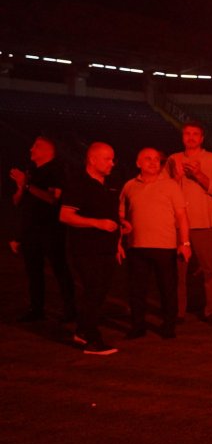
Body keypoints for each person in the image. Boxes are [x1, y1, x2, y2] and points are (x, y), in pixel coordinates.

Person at [120, 148, 191, 339]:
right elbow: (121, 215)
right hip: (137, 246)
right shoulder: (129, 186)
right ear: (138, 163)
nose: (153, 162)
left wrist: (185, 243)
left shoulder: (170, 186)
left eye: (157, 160)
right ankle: (138, 325)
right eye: (148, 159)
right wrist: (120, 239)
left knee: (167, 289)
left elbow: (182, 216)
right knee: (137, 290)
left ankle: (169, 325)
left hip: (165, 247)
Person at [59, 142, 121, 355]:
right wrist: (98, 223)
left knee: (99, 292)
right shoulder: (79, 184)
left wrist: (121, 227)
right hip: (86, 249)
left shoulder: (108, 185)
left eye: (112, 159)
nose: (112, 163)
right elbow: (65, 216)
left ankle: (83, 330)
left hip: (106, 249)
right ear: (92, 160)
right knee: (93, 291)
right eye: (107, 159)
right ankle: (91, 338)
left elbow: (110, 216)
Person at [10, 136, 76, 324]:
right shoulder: (31, 171)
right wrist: (21, 187)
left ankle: (70, 310)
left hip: (51, 230)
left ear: (48, 152)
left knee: (60, 269)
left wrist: (27, 185)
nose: (31, 149)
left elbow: (53, 199)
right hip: (30, 231)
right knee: (33, 272)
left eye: (36, 146)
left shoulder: (56, 171)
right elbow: (16, 201)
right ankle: (36, 309)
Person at [167, 122, 212, 324]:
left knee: (209, 270)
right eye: (187, 134)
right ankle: (179, 311)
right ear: (183, 137)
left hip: (204, 223)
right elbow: (165, 192)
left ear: (202, 138)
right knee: (179, 270)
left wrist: (198, 174)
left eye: (195, 134)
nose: (191, 137)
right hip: (178, 224)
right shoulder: (173, 159)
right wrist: (176, 177)